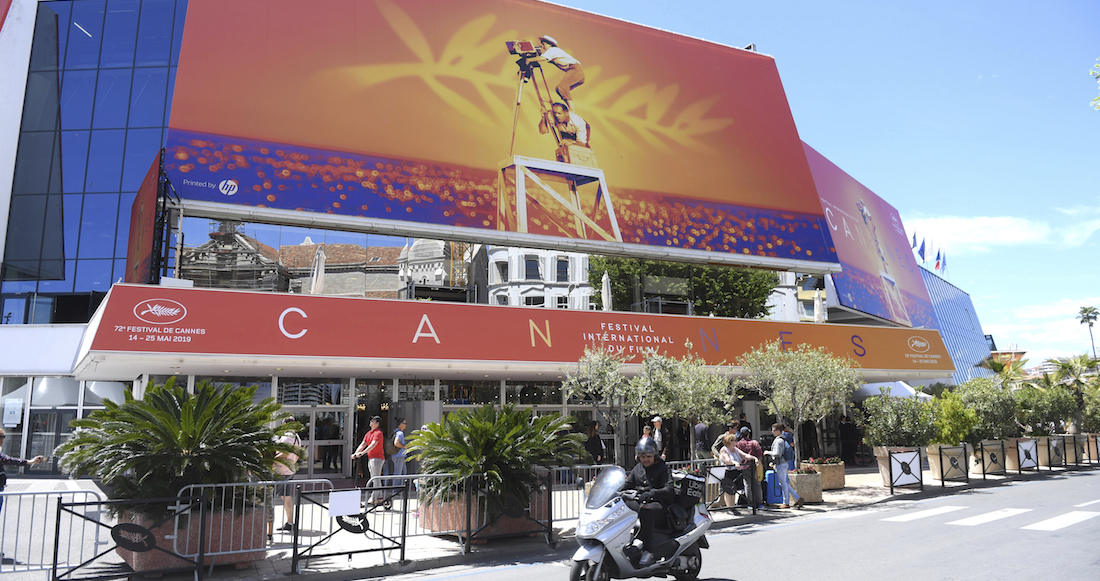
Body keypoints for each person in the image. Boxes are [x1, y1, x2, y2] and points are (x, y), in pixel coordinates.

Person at [623, 438, 675, 567]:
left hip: (660, 506)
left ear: (655, 455)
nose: (645, 459)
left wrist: (653, 493)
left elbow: (669, 489)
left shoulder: (662, 468)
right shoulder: (638, 469)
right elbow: (627, 485)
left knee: (645, 510)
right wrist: (612, 491)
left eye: (649, 456)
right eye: (643, 456)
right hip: (641, 502)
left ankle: (648, 552)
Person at [528, 35, 585, 111]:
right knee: (559, 89)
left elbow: (543, 58)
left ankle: (572, 108)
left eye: (543, 44)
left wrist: (529, 60)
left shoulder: (552, 50)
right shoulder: (554, 52)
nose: (543, 47)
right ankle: (569, 108)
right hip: (577, 72)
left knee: (562, 87)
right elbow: (544, 58)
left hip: (575, 71)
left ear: (549, 44)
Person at [270, 425, 302, 534]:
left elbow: (284, 454)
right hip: (290, 471)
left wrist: (270, 461)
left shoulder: (287, 437)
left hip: (281, 471)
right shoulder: (297, 437)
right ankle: (290, 523)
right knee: (287, 496)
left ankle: (267, 529)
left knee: (268, 498)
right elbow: (297, 455)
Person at [765, 423, 802, 509]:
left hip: (780, 464)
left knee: (783, 484)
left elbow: (777, 453)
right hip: (783, 463)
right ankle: (797, 498)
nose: (772, 432)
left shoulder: (778, 441)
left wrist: (768, 452)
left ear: (778, 431)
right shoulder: (782, 439)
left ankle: (786, 502)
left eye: (774, 430)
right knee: (784, 483)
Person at [351, 416, 386, 504]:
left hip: (377, 458)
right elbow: (363, 444)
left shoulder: (378, 433)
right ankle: (379, 497)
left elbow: (373, 444)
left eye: (373, 420)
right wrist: (356, 453)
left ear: (377, 423)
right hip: (371, 458)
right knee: (374, 478)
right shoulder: (369, 433)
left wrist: (362, 453)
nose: (371, 421)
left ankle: (374, 497)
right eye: (371, 420)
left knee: (375, 478)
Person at [717, 433, 753, 509]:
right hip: (727, 472)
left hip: (736, 472)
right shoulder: (724, 449)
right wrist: (735, 463)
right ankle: (729, 508)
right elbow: (727, 460)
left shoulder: (735, 449)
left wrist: (754, 458)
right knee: (728, 491)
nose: (736, 441)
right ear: (729, 441)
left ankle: (733, 507)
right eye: (734, 440)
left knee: (734, 490)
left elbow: (744, 455)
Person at [735, 427, 764, 509]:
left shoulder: (738, 444)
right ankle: (760, 503)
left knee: (747, 486)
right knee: (757, 485)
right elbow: (760, 454)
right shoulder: (754, 442)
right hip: (755, 466)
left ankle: (750, 504)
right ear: (748, 434)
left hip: (744, 467)